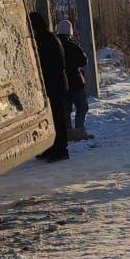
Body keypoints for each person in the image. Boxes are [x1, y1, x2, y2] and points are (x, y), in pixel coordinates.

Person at [29, 11, 69, 162]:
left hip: (54, 84)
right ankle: (52, 146)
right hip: (54, 83)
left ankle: (60, 149)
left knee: (57, 118)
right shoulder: (50, 37)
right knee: (52, 118)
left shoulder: (44, 39)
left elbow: (51, 63)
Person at [55, 19, 92, 140]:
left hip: (61, 84)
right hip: (76, 83)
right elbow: (84, 61)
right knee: (82, 107)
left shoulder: (54, 47)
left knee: (66, 109)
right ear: (70, 32)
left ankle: (68, 132)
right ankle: (79, 130)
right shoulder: (73, 46)